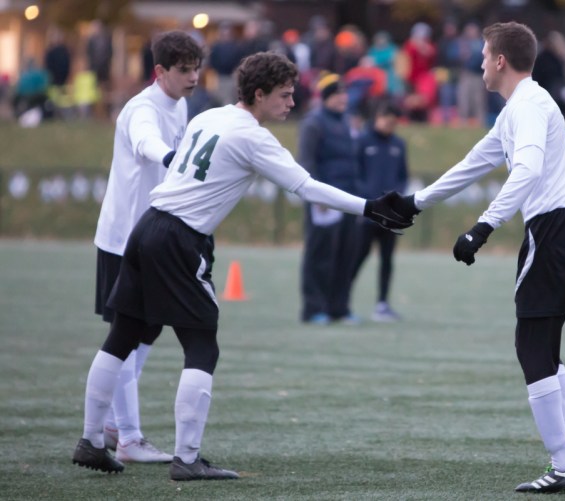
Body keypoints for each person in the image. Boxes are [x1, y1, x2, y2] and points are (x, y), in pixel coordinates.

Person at [71, 51, 412, 480]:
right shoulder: (253, 137)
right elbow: (305, 186)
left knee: (122, 335)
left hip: (147, 228)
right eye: (285, 96)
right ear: (258, 94)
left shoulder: (207, 116)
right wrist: (369, 207)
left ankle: (89, 440)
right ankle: (187, 459)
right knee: (202, 345)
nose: (291, 103)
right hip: (179, 239)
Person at [391, 22, 565, 494]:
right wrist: (415, 203)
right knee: (543, 346)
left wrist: (482, 227)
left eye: (485, 55)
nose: (481, 62)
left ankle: (563, 466)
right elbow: (475, 162)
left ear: (501, 60)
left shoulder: (527, 104)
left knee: (531, 347)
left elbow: (525, 169)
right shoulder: (520, 108)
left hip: (556, 227)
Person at [89, 30, 204, 464]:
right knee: (127, 335)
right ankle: (129, 436)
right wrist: (174, 159)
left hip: (155, 238)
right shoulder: (142, 108)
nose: (193, 77)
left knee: (145, 333)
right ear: (161, 72)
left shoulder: (182, 104)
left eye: (196, 68)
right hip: (124, 240)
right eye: (184, 70)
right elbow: (145, 142)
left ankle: (115, 425)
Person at [298, 73, 361, 325]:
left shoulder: (347, 121)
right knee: (320, 253)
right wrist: (316, 196)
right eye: (337, 94)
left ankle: (339, 307)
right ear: (325, 98)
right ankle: (314, 308)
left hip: (348, 197)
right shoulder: (314, 123)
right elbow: (307, 160)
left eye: (344, 93)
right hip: (324, 199)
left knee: (347, 254)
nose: (343, 98)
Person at [351, 102, 409, 322]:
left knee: (387, 259)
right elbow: (356, 174)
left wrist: (396, 197)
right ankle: (342, 302)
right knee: (358, 257)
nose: (390, 126)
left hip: (390, 216)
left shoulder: (398, 144)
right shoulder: (362, 142)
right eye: (388, 121)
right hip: (368, 213)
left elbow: (403, 175)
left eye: (394, 123)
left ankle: (382, 305)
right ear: (378, 117)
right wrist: (369, 199)